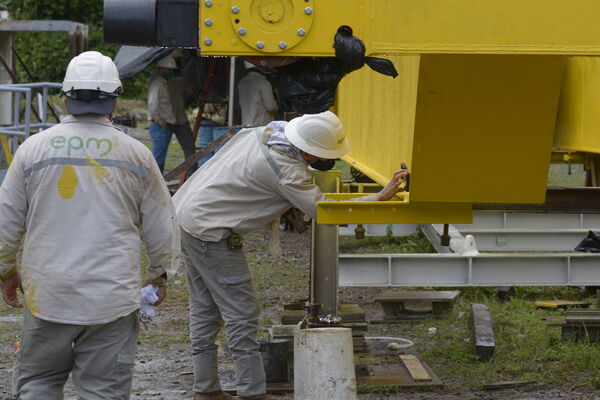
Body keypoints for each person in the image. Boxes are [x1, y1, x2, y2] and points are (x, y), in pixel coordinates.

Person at [173, 111, 407, 400]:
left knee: (205, 310)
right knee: (242, 313)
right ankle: (251, 393)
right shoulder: (286, 169)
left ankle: (205, 389)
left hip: (186, 217)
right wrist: (377, 198)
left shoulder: (264, 132)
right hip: (211, 232)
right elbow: (322, 210)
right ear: (309, 152)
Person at [0, 51, 180, 399]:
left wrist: (7, 271)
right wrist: (159, 275)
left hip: (47, 295)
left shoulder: (32, 150)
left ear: (66, 99)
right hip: (110, 299)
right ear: (113, 102)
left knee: (37, 385)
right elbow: (163, 224)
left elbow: (6, 223)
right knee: (103, 392)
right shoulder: (137, 154)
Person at [148, 54, 197, 174]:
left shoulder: (174, 82)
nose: (171, 72)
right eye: (168, 70)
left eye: (172, 70)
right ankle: (155, 184)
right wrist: (159, 120)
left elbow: (184, 97)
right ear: (161, 70)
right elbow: (153, 103)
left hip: (180, 121)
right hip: (162, 124)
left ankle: (193, 177)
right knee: (158, 157)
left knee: (190, 149)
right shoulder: (157, 84)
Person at [238, 62, 278, 126]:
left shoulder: (242, 82)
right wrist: (277, 106)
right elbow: (270, 107)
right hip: (261, 126)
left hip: (245, 125)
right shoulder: (263, 83)